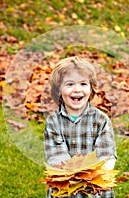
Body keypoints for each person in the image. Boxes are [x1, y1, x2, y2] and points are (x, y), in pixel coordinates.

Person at [44, 56, 117, 198]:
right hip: (65, 185)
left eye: (83, 84)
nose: (77, 90)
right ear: (58, 90)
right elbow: (55, 155)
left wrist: (90, 176)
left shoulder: (101, 120)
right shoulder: (53, 122)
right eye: (70, 84)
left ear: (91, 88)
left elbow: (106, 155)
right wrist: (72, 175)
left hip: (94, 186)